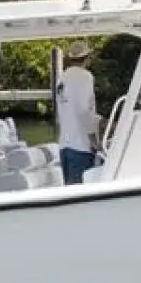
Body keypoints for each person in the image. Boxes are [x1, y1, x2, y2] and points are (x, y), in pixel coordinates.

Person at [55, 40, 100, 185]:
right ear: (87, 58)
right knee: (82, 193)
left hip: (64, 145)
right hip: (81, 146)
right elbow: (83, 110)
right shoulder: (85, 77)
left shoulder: (62, 78)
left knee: (70, 191)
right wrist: (93, 140)